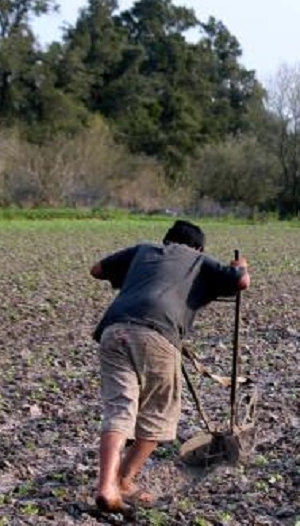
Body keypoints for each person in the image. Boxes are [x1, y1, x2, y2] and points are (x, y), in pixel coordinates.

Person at [89, 220, 250, 513]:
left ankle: (106, 486)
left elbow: (97, 270)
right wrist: (241, 265)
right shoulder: (199, 259)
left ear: (166, 240)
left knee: (120, 408)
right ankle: (124, 480)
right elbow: (240, 282)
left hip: (114, 332)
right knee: (158, 414)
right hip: (158, 336)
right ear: (198, 248)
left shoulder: (144, 249)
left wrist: (139, 276)